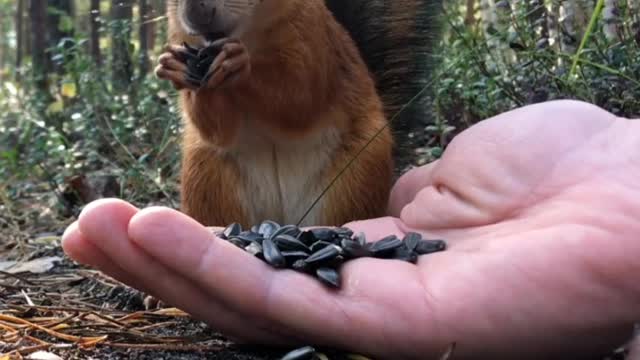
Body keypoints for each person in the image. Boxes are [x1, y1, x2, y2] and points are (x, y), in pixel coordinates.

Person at [61, 100, 640, 359]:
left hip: (331, 174)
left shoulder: (302, 28)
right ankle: (222, 237)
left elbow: (304, 104)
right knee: (203, 153)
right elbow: (214, 128)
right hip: (256, 194)